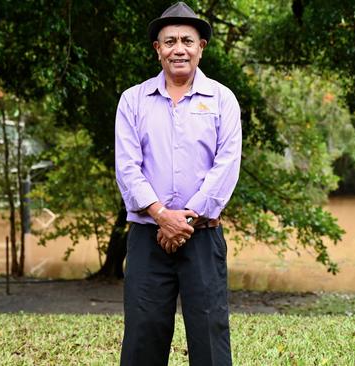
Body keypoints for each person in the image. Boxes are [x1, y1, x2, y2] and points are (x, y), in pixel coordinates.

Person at [115, 2, 241, 365]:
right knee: (143, 337)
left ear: (202, 46)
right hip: (147, 238)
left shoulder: (222, 100)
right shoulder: (133, 100)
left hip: (202, 237)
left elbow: (227, 165)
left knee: (210, 337)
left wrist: (185, 219)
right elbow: (127, 166)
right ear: (157, 49)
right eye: (169, 41)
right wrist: (160, 215)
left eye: (187, 40)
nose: (178, 49)